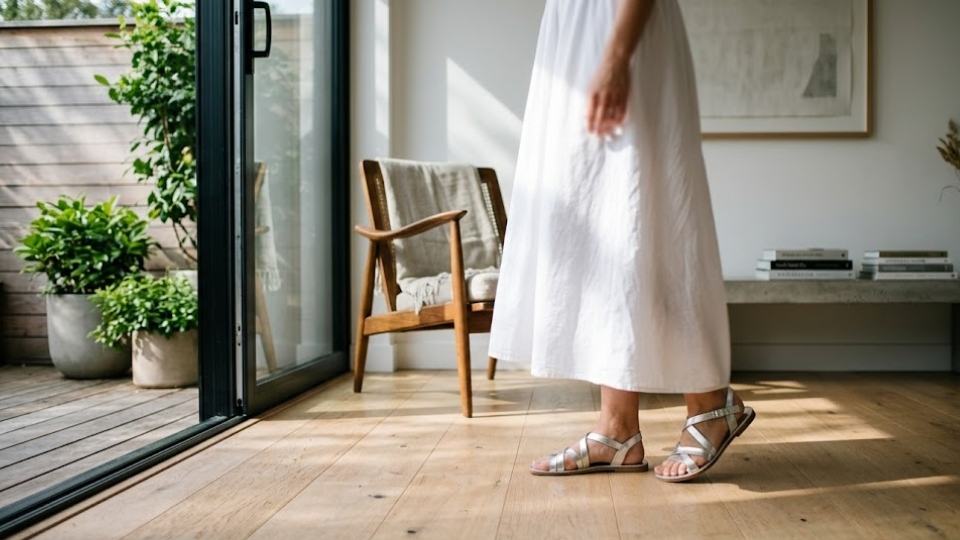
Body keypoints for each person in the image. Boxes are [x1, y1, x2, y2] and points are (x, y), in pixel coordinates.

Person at [487, 0, 755, 482]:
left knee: (651, 217)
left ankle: (710, 403)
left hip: (619, 31)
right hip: (576, 37)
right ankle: (616, 429)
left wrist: (615, 57)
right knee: (605, 226)